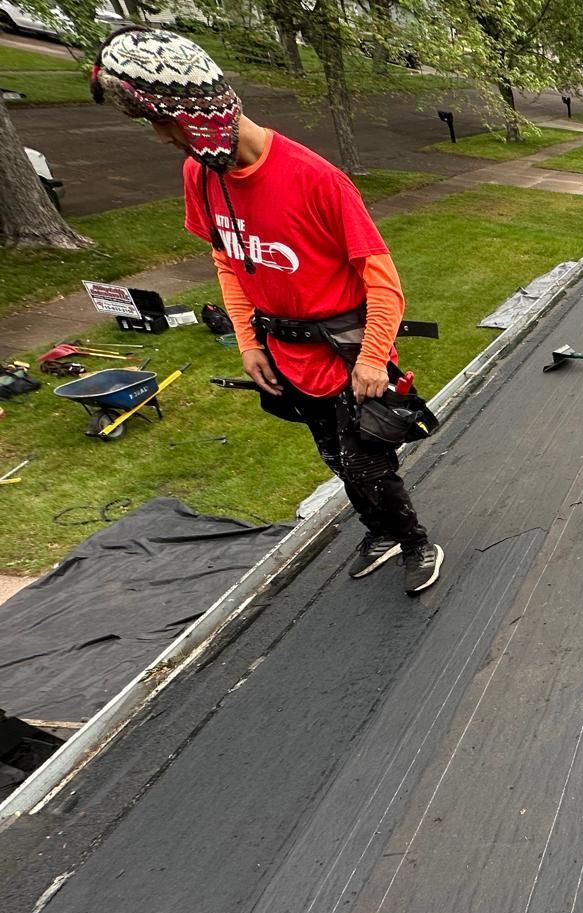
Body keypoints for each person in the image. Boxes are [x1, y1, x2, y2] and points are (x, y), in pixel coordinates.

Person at [91, 27, 444, 595]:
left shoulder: (316, 180)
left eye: (164, 122)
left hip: (347, 351)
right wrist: (249, 342)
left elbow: (383, 282)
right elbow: (228, 260)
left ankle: (414, 542)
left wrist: (375, 360)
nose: (161, 138)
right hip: (284, 352)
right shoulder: (201, 175)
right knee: (335, 458)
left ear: (197, 113)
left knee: (369, 462)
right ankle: (378, 530)